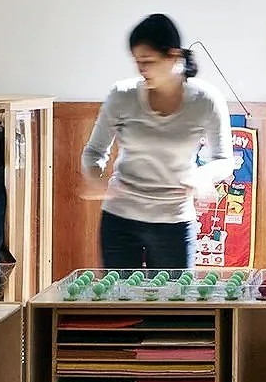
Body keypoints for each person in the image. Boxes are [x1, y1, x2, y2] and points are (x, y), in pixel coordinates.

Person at [82, 14, 239, 270]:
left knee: (174, 307)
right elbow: (94, 151)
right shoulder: (122, 96)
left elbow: (224, 160)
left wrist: (201, 177)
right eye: (137, 61)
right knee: (120, 303)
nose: (141, 69)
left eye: (148, 61)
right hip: (120, 218)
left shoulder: (205, 100)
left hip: (175, 221)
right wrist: (94, 177)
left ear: (174, 56)